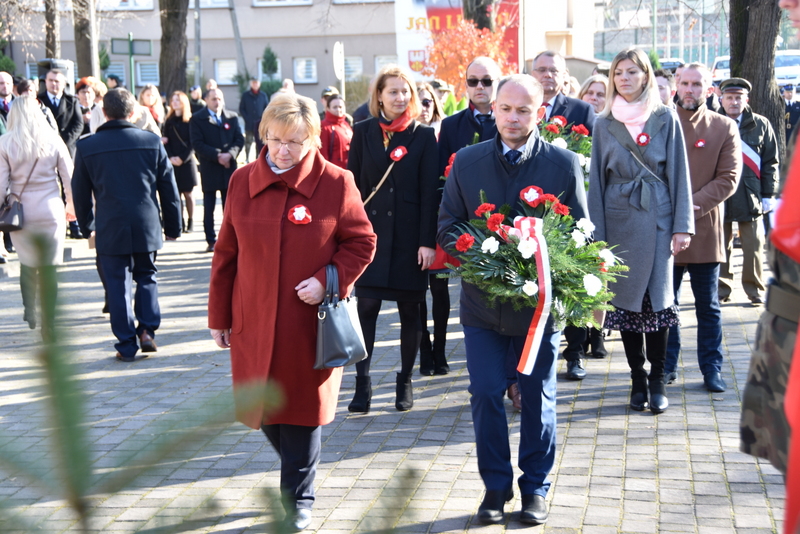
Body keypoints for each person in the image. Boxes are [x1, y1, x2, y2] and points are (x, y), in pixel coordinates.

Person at [207, 92, 376, 531]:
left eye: (295, 142)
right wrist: (218, 316)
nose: (284, 150)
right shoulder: (242, 181)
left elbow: (362, 242)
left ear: (313, 140)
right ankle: (299, 470)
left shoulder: (337, 182)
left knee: (301, 410)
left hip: (308, 324)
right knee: (264, 410)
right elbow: (225, 254)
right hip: (253, 321)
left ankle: (299, 498)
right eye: (276, 139)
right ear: (264, 134)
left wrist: (328, 280)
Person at [438, 74, 588, 526]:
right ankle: (495, 486)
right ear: (493, 110)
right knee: (484, 393)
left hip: (537, 311)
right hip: (482, 306)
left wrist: (538, 264)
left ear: (540, 112)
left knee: (537, 396)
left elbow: (581, 235)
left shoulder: (562, 164)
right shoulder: (466, 162)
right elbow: (447, 225)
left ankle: (535, 488)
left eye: (524, 110)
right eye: (505, 108)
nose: (513, 118)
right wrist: (488, 251)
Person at [588, 48, 694, 414]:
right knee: (628, 306)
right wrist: (597, 238)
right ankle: (636, 377)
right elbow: (595, 185)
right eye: (619, 73)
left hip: (660, 219)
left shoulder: (666, 117)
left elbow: (679, 174)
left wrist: (683, 226)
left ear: (647, 76)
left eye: (632, 72)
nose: (625, 78)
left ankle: (658, 378)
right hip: (619, 221)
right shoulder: (603, 123)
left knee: (659, 303)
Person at [346, 64, 439, 413]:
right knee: (365, 308)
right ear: (379, 96)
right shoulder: (363, 132)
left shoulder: (423, 136)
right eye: (393, 91)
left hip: (409, 239)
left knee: (411, 311)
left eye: (406, 91)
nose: (401, 98)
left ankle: (405, 381)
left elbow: (431, 193)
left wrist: (427, 241)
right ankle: (362, 384)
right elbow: (351, 189)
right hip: (370, 239)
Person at [71, 88, 181, 361]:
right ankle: (147, 331)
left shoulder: (87, 146)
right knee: (147, 276)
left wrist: (87, 226)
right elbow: (169, 188)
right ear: (134, 113)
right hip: (145, 221)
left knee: (117, 282)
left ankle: (126, 343)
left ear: (104, 112)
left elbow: (79, 193)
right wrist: (173, 226)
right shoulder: (152, 142)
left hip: (110, 223)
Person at [663, 64, 741, 393]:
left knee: (708, 305)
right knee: (667, 304)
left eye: (698, 84)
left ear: (709, 89)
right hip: (664, 228)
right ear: (675, 86)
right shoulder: (660, 123)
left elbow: (729, 179)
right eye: (685, 83)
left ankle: (712, 368)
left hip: (705, 230)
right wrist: (671, 211)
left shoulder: (723, 127)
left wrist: (688, 208)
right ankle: (665, 366)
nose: (690, 89)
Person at [0, 96, 74, 331]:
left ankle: (29, 308)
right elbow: (69, 177)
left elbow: (1, 185)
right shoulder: (53, 140)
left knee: (27, 262)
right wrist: (71, 205)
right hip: (50, 207)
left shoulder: (5, 143)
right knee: (50, 266)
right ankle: (49, 323)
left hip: (20, 211)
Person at [717, 78, 779, 305]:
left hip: (751, 193)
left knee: (753, 246)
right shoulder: (713, 122)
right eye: (730, 97)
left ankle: (754, 289)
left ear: (746, 99)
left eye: (738, 98)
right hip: (720, 193)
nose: (734, 102)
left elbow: (771, 161)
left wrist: (768, 194)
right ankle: (722, 288)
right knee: (720, 245)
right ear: (721, 98)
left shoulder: (760, 124)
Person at [415, 81, 451, 377]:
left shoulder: (445, 132)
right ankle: (424, 351)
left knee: (439, 289)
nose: (423, 107)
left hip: (440, 220)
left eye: (427, 102)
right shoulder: (404, 136)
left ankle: (440, 350)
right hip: (413, 224)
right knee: (415, 293)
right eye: (419, 102)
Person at [189, 88, 244, 252]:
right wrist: (218, 155)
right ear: (206, 100)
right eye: (213, 99)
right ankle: (211, 239)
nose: (217, 102)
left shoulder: (231, 117)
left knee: (230, 206)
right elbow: (197, 143)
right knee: (209, 206)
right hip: (210, 168)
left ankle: (230, 238)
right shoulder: (197, 119)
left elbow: (239, 140)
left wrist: (230, 155)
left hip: (229, 169)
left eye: (219, 98)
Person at [530, 51, 595, 134]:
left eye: (554, 71)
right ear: (533, 74)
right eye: (542, 70)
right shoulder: (520, 107)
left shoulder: (582, 110)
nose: (548, 75)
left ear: (564, 75)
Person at [163, 91, 199, 233]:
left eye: (178, 100)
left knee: (188, 194)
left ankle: (191, 221)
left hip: (187, 161)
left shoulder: (190, 121)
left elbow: (193, 143)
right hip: (172, 162)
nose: (175, 102)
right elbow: (165, 141)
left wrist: (183, 158)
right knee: (176, 194)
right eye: (173, 100)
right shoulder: (169, 121)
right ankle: (180, 221)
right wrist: (171, 157)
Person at [38, 69, 84, 159]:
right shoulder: (38, 100)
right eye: (50, 80)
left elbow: (78, 124)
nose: (53, 84)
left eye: (57, 81)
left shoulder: (72, 101)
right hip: (44, 148)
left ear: (63, 84)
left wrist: (63, 141)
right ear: (45, 82)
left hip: (67, 147)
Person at [239, 77, 269, 162]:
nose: (255, 84)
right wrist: (247, 118)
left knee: (259, 142)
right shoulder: (245, 95)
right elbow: (242, 108)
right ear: (251, 84)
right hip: (249, 123)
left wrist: (263, 119)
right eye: (253, 83)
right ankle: (247, 158)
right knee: (248, 141)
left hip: (260, 124)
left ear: (259, 84)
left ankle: (258, 158)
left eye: (256, 83)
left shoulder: (263, 95)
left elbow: (267, 109)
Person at [319, 93, 352, 169]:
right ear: (328, 108)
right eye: (335, 107)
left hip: (348, 169)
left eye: (340, 107)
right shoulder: (323, 126)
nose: (338, 110)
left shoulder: (346, 124)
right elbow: (322, 154)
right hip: (334, 171)